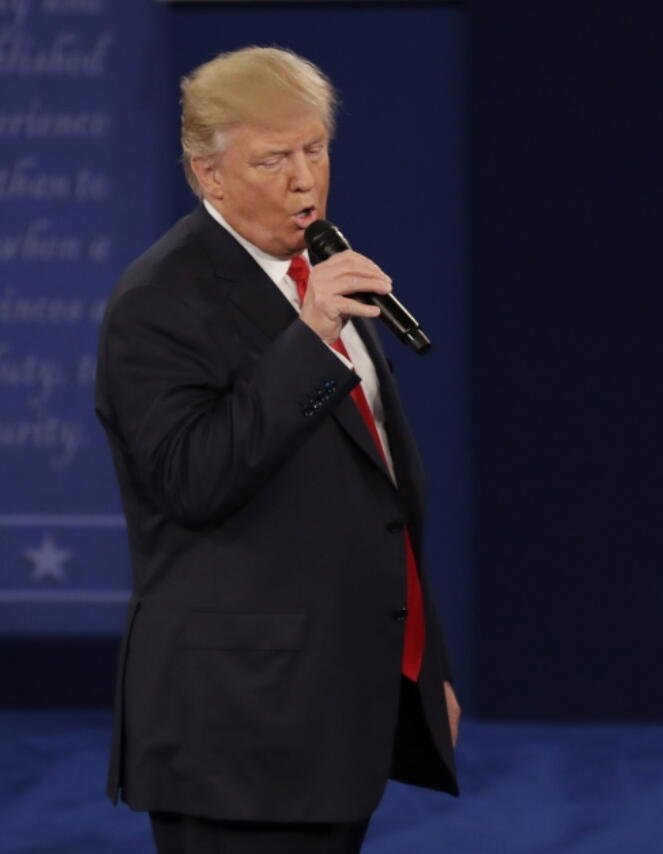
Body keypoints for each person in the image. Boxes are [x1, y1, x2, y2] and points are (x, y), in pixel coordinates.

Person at [95, 46, 460, 853]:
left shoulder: (316, 271)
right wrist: (311, 339)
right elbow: (192, 481)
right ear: (207, 176)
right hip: (234, 730)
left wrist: (424, 666)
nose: (305, 179)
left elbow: (377, 494)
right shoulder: (158, 301)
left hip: (335, 714)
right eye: (273, 159)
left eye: (315, 150)